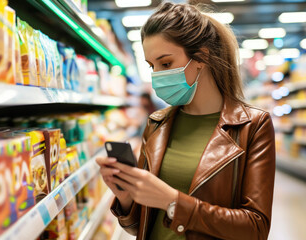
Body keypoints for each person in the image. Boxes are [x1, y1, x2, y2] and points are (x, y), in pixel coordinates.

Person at [96, 2, 275, 240]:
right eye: (152, 66)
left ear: (201, 56)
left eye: (166, 63)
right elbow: (141, 226)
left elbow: (256, 228)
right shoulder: (156, 124)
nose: (157, 75)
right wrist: (127, 197)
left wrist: (173, 201)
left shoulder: (253, 126)